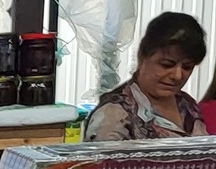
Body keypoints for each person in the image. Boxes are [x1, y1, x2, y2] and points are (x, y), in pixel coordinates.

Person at [84, 12, 209, 140]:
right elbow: (101, 159)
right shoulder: (114, 114)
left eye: (187, 67)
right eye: (166, 65)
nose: (177, 75)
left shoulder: (187, 104)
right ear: (142, 57)